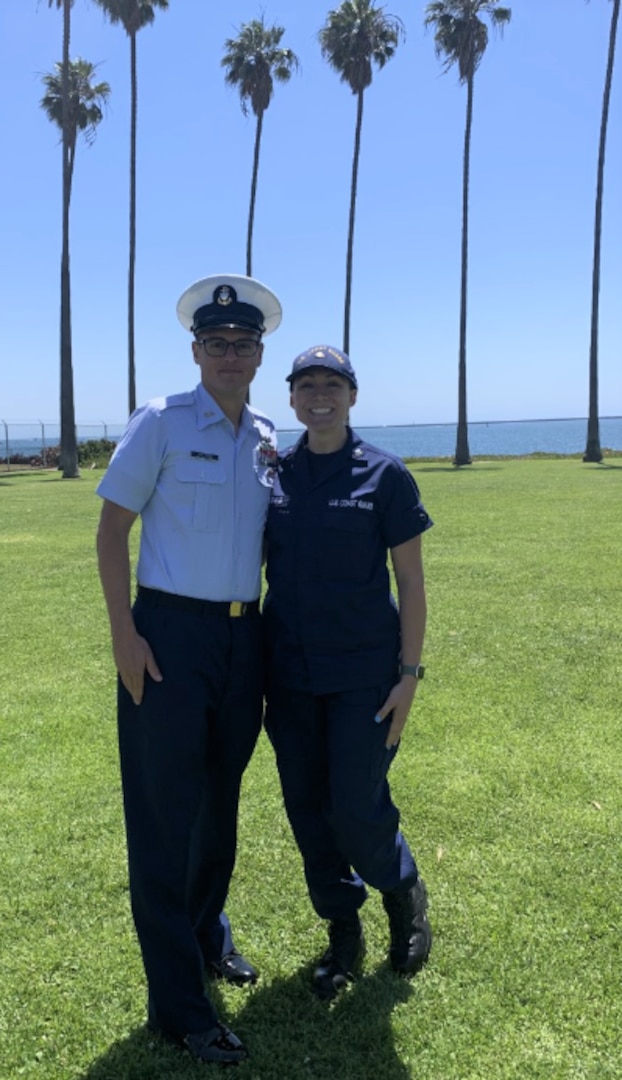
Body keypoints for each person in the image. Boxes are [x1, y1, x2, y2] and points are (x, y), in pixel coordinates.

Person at [96, 274, 282, 1065]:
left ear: (259, 352)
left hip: (246, 644)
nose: (231, 355)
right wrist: (125, 636)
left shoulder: (270, 435)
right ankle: (179, 1007)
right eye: (218, 343)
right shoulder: (162, 423)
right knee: (164, 824)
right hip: (167, 637)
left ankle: (209, 936)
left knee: (219, 810)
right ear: (197, 349)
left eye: (244, 344)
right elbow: (110, 534)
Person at [262, 345, 433, 999]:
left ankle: (403, 892)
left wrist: (410, 674)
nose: (319, 394)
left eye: (332, 383)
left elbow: (411, 581)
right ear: (293, 399)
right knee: (308, 809)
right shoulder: (272, 472)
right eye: (306, 384)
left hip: (364, 673)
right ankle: (342, 933)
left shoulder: (385, 476)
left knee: (355, 805)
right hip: (291, 675)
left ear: (352, 396)